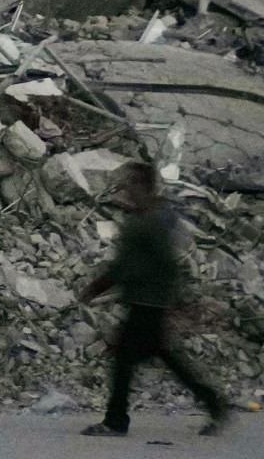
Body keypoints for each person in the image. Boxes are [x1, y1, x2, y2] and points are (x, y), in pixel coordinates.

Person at [77, 160, 231, 437]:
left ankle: (115, 421)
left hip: (148, 302)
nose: (125, 187)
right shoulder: (148, 215)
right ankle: (214, 403)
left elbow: (147, 264)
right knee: (163, 355)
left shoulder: (149, 221)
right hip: (147, 300)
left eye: (131, 182)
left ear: (145, 186)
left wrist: (97, 287)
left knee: (126, 359)